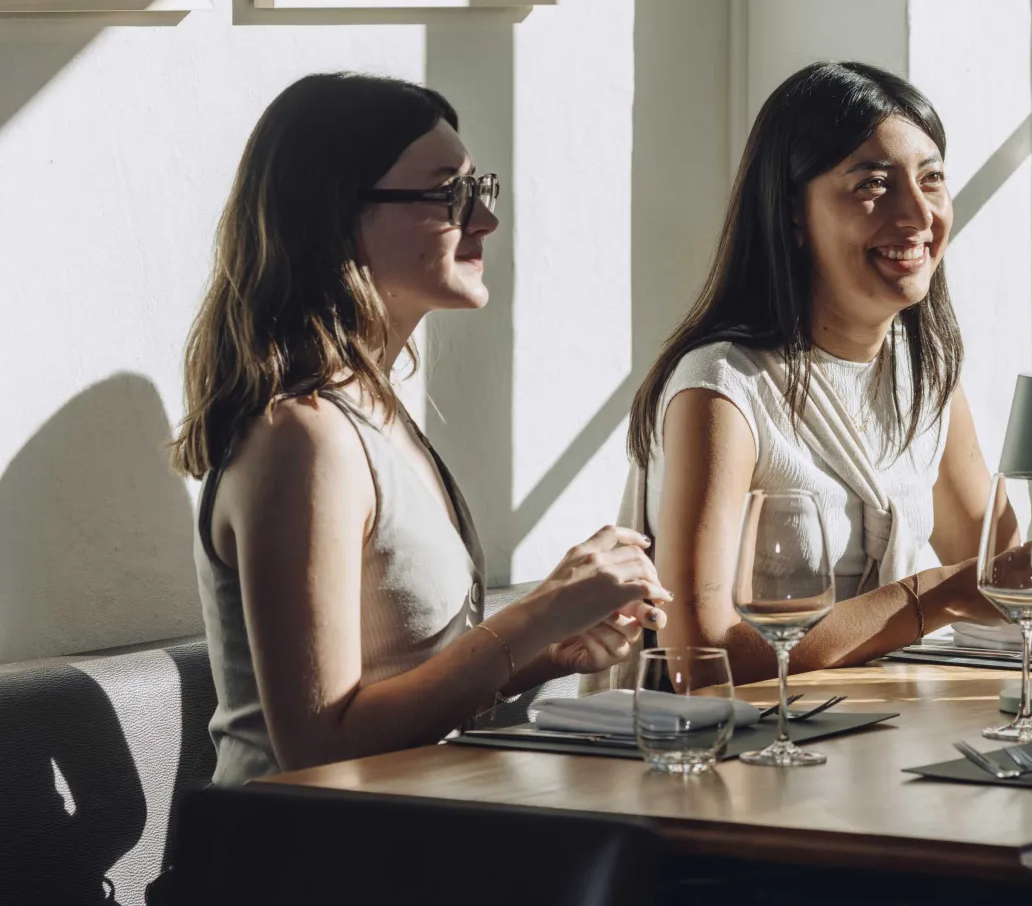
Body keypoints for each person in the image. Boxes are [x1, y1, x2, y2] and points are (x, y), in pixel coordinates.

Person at [171, 73, 671, 785]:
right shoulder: (301, 436)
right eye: (449, 195)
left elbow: (398, 683)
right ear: (337, 216)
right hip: (301, 863)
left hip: (406, 837)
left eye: (479, 189)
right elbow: (318, 748)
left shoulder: (371, 411)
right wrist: (537, 615)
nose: (485, 222)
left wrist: (548, 648)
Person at [623, 60, 1028, 683]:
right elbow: (698, 656)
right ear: (791, 213)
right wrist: (934, 597)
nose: (918, 215)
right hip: (745, 753)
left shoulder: (927, 373)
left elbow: (995, 575)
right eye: (873, 183)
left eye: (932, 179)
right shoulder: (722, 388)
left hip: (877, 727)